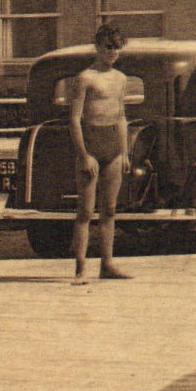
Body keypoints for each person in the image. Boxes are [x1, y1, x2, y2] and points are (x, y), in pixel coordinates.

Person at [68, 23, 133, 283]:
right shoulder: (85, 78)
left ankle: (107, 264)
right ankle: (81, 268)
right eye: (109, 47)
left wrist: (125, 152)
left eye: (117, 47)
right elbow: (74, 120)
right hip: (91, 145)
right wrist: (84, 155)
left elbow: (121, 118)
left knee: (110, 209)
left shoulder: (121, 78)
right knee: (85, 211)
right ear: (97, 47)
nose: (113, 52)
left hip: (113, 147)